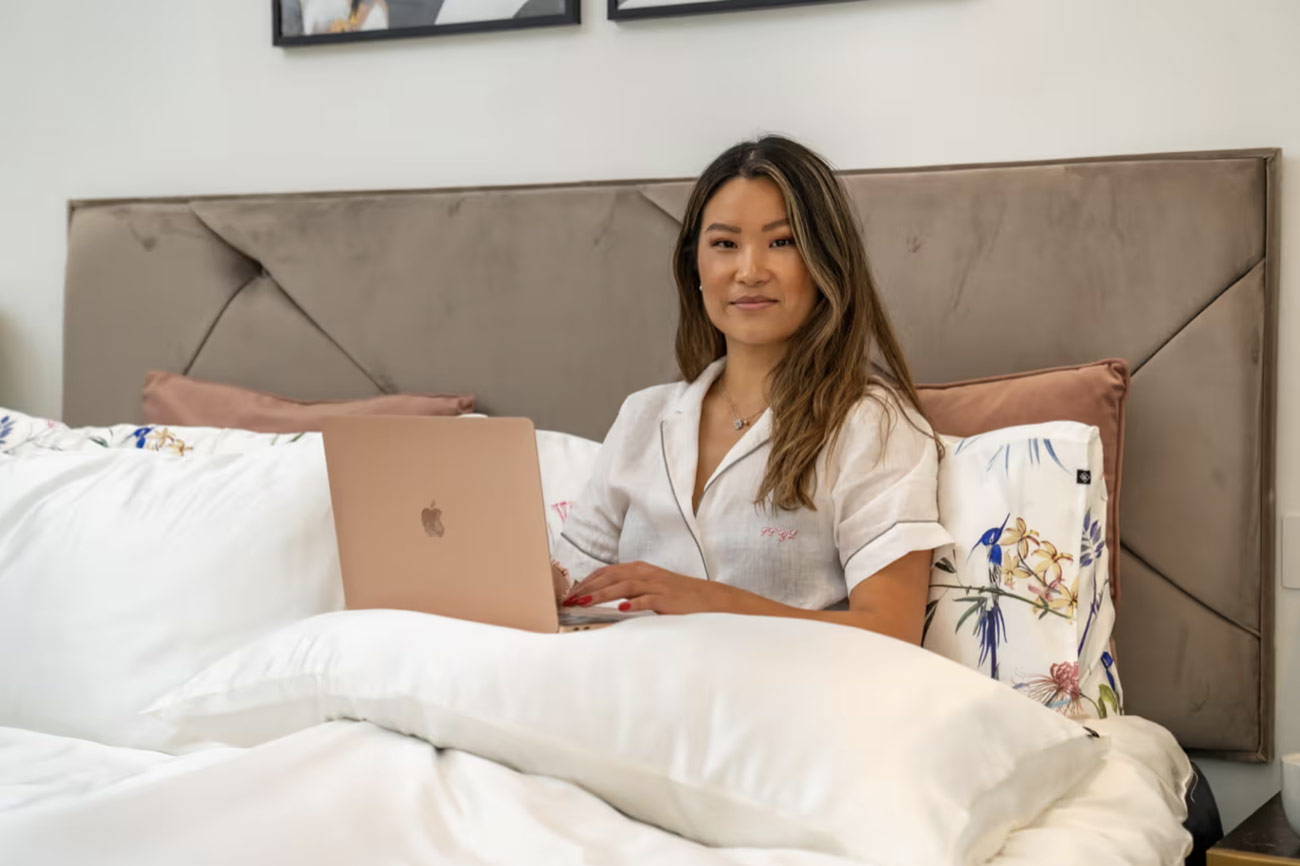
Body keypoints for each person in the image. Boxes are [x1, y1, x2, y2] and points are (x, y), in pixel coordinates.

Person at [552, 135, 951, 644]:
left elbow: (891, 632)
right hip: (625, 695)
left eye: (782, 242)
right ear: (695, 267)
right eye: (724, 244)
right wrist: (534, 583)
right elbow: (571, 587)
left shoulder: (871, 423)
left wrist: (712, 604)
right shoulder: (643, 416)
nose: (749, 271)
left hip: (783, 702)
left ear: (826, 263)